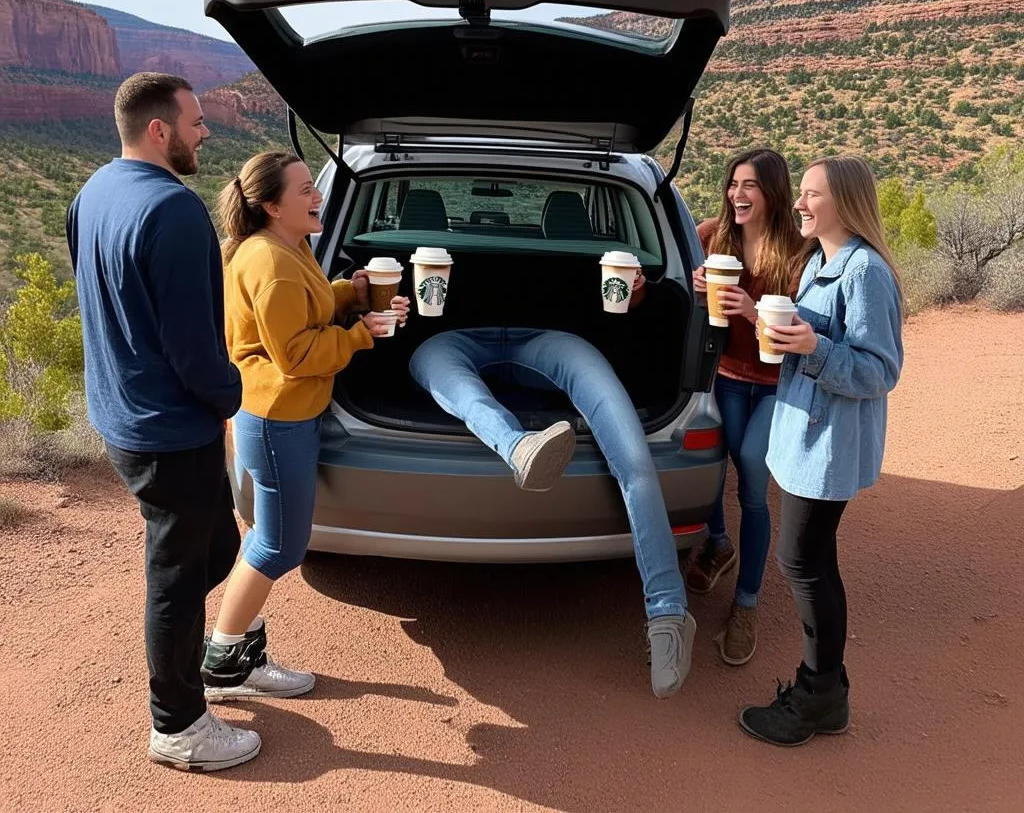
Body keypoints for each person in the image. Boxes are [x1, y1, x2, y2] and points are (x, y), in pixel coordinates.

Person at [66, 73, 260, 772]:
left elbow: (102, 297)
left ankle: (199, 655)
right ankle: (176, 724)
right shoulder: (175, 211)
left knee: (212, 551)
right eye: (197, 121)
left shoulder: (93, 192)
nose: (206, 131)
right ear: (160, 130)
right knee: (176, 577)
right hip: (170, 431)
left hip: (122, 418)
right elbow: (195, 350)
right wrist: (235, 393)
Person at [409, 279, 697, 700]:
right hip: (448, 337)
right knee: (448, 380)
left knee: (634, 460)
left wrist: (644, 290)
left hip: (555, 338)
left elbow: (669, 297)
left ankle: (669, 611)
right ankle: (519, 447)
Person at [201, 151, 410, 705]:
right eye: (304, 190)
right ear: (272, 206)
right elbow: (296, 354)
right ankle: (224, 663)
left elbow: (308, 306)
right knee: (277, 546)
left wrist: (350, 293)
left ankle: (235, 652)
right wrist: (364, 332)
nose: (316, 196)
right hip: (276, 419)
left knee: (272, 541)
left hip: (285, 415)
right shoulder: (268, 264)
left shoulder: (287, 248)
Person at [738, 155, 904, 747]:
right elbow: (811, 335)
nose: (801, 204)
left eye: (812, 195)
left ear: (846, 204)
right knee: (813, 561)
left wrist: (814, 348)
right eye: (802, 194)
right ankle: (825, 694)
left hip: (827, 444)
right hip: (806, 435)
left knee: (803, 564)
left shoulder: (865, 274)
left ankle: (819, 695)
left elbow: (881, 370)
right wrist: (769, 321)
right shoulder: (821, 263)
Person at [686, 149, 803, 666]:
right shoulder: (713, 235)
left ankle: (747, 605)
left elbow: (805, 326)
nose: (738, 194)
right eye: (734, 183)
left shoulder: (800, 254)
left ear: (773, 192)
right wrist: (694, 285)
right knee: (711, 466)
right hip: (727, 378)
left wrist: (754, 310)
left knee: (753, 473)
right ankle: (718, 542)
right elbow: (679, 279)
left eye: (750, 185)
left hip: (777, 385)